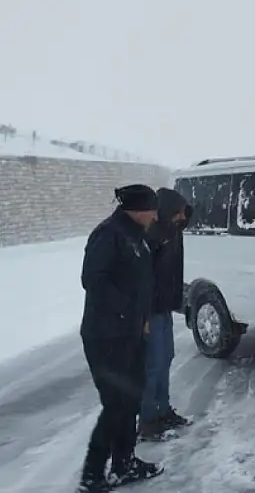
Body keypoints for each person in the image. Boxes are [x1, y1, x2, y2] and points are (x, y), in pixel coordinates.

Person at [77, 184, 164, 493]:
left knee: (131, 399)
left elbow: (138, 282)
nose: (155, 216)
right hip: (106, 336)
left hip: (130, 333)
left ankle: (123, 464)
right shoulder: (108, 234)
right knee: (116, 405)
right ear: (137, 210)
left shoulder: (135, 235)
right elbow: (93, 280)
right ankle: (91, 476)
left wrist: (142, 319)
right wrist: (129, 313)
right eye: (152, 210)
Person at [138, 188, 193, 441]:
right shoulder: (150, 236)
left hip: (164, 307)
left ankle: (163, 410)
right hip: (150, 311)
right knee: (153, 365)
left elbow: (188, 217)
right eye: (178, 212)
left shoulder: (173, 230)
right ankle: (148, 420)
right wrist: (143, 316)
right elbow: (139, 279)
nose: (183, 218)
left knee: (166, 359)